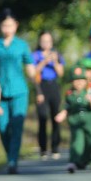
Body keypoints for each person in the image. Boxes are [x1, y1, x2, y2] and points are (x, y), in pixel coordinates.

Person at [0, 10, 35, 174]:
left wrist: (39, 86)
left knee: (17, 126)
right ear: (0, 26)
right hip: (0, 92)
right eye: (5, 25)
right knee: (3, 126)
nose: (7, 28)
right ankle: (10, 156)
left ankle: (13, 161)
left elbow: (30, 67)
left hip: (19, 91)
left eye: (10, 25)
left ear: (16, 26)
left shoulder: (22, 45)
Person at [55, 65, 91, 173]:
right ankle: (75, 161)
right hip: (75, 119)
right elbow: (66, 106)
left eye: (81, 80)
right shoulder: (69, 94)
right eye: (76, 80)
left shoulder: (90, 91)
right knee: (77, 141)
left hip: (90, 119)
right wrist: (62, 113)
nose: (78, 83)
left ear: (86, 81)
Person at [32, 31, 65, 159]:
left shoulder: (57, 55)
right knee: (42, 117)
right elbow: (33, 72)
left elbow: (61, 73)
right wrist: (45, 61)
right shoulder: (35, 55)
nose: (46, 43)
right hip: (41, 86)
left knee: (56, 117)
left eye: (48, 41)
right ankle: (43, 148)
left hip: (54, 86)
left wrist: (55, 61)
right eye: (44, 41)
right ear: (40, 42)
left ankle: (55, 147)